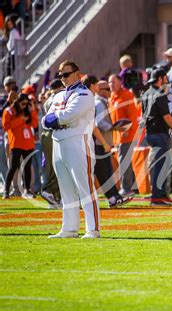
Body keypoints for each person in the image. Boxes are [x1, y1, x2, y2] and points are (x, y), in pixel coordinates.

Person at [42, 60, 100, 239]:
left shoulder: (84, 93)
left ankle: (93, 229)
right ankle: (69, 228)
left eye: (66, 75)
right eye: (60, 75)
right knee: (65, 188)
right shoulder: (58, 96)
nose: (63, 78)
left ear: (77, 73)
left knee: (85, 187)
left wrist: (57, 119)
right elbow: (45, 119)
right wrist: (58, 119)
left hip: (78, 141)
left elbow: (71, 115)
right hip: (59, 142)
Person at [82, 76, 133, 208]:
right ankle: (112, 198)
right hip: (99, 143)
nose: (110, 90)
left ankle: (115, 197)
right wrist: (113, 127)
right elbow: (98, 123)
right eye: (106, 88)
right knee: (103, 172)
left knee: (106, 172)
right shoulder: (99, 103)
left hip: (100, 142)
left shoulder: (101, 102)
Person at [141, 68, 172, 206]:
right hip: (160, 133)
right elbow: (167, 117)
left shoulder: (146, 94)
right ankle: (157, 197)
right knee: (161, 166)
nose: (167, 81)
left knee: (160, 165)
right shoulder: (159, 94)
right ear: (161, 79)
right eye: (165, 78)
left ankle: (161, 195)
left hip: (150, 133)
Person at [2, 93, 37, 199]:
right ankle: (6, 190)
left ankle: (27, 190)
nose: (24, 105)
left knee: (27, 168)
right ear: (17, 101)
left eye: (26, 103)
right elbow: (6, 126)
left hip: (28, 143)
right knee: (13, 167)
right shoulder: (8, 111)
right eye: (23, 103)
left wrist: (33, 111)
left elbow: (34, 125)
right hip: (16, 143)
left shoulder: (27, 110)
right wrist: (21, 120)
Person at [108, 74, 138, 197]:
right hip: (117, 136)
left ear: (120, 82)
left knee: (124, 161)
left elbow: (132, 115)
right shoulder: (112, 97)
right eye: (109, 82)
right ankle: (129, 187)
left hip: (126, 135)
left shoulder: (126, 95)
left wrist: (127, 130)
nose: (111, 84)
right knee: (124, 161)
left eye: (113, 82)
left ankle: (126, 188)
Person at [39, 79, 64, 208]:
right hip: (53, 134)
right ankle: (49, 191)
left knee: (50, 166)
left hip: (45, 134)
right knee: (56, 167)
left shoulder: (48, 99)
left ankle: (54, 198)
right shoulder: (58, 98)